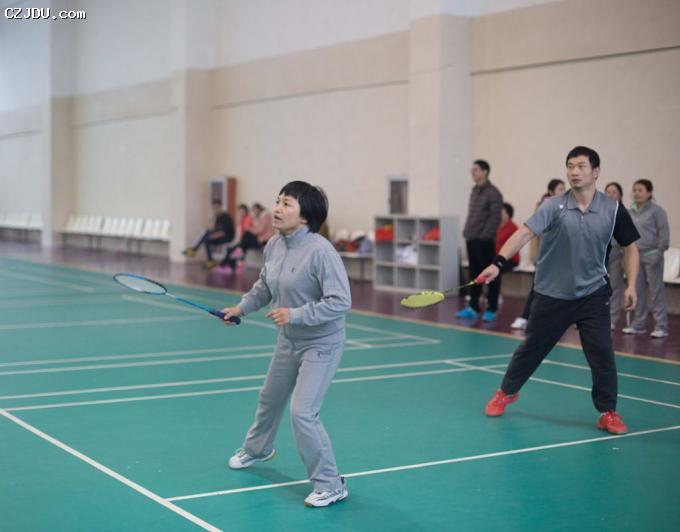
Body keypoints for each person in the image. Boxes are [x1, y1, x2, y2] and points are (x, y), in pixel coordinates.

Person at [479, 146, 640, 435]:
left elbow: (630, 246)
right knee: (532, 348)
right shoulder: (554, 206)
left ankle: (608, 412)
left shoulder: (613, 209)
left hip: (593, 293)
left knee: (602, 354)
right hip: (551, 293)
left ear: (596, 172)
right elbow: (524, 233)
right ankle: (506, 392)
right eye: (570, 166)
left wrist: (631, 285)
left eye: (581, 166)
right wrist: (498, 263)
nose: (574, 172)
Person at [221, 181, 351, 508]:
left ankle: (331, 484)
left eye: (286, 204)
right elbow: (265, 286)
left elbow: (340, 301)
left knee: (303, 412)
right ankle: (258, 449)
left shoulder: (321, 252)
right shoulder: (275, 245)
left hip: (321, 343)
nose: (277, 209)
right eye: (277, 201)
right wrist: (241, 309)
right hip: (289, 339)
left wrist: (296, 314)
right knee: (270, 397)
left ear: (305, 216)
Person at [510, 179, 566, 330]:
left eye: (564, 188)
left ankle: (553, 319)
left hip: (561, 258)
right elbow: (535, 236)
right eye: (560, 189)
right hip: (544, 257)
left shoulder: (566, 208)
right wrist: (535, 257)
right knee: (537, 288)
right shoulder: (544, 209)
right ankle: (525, 317)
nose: (563, 191)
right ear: (551, 192)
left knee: (557, 290)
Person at [456, 159, 503, 321]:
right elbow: (472, 214)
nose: (473, 172)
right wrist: (466, 230)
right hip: (471, 238)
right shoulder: (475, 190)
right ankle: (473, 307)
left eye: (476, 169)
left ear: (485, 172)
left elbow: (495, 218)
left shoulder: (493, 193)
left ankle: (492, 309)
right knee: (474, 274)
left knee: (490, 275)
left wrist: (484, 236)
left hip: (485, 241)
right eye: (472, 170)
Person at [622, 179, 670, 338]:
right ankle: (639, 324)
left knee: (656, 292)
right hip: (635, 257)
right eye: (634, 190)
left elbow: (664, 235)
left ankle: (661, 326)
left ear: (649, 193)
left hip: (652, 256)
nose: (636, 193)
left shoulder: (657, 211)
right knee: (637, 291)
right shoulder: (630, 211)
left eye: (640, 190)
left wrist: (659, 252)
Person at [218, 202, 275, 271]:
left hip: (264, 240)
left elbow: (259, 230)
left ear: (259, 208)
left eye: (254, 210)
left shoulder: (264, 216)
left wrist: (249, 229)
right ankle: (230, 264)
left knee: (246, 236)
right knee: (237, 247)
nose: (254, 212)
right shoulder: (255, 218)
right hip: (258, 239)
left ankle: (227, 265)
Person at [486, 203, 520, 313]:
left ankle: (493, 300)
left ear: (508, 214)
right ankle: (490, 296)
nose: (499, 214)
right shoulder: (496, 226)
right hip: (496, 258)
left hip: (510, 260)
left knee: (495, 273)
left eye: (502, 211)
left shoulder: (513, 228)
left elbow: (513, 247)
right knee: (486, 268)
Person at [182, 199, 235, 268]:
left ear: (220, 207)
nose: (214, 209)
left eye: (216, 207)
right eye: (213, 207)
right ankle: (208, 259)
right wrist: (213, 218)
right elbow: (215, 229)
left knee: (206, 237)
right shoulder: (218, 217)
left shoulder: (225, 216)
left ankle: (194, 250)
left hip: (227, 237)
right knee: (206, 233)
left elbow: (222, 232)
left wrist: (211, 237)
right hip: (220, 236)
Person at [604, 182, 625, 329]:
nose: (610, 195)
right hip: (600, 256)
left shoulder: (623, 213)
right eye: (608, 192)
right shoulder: (600, 211)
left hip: (617, 256)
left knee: (615, 288)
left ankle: (612, 318)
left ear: (620, 195)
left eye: (614, 192)